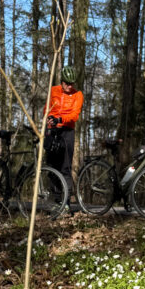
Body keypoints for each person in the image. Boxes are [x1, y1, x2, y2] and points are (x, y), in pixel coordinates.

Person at [44, 66, 84, 212]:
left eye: (72, 83)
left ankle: (66, 202)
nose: (69, 86)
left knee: (65, 167)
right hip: (52, 130)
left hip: (67, 131)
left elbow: (74, 115)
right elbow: (47, 108)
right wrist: (49, 117)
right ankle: (56, 200)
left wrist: (60, 119)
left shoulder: (78, 95)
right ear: (62, 82)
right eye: (67, 83)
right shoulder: (53, 90)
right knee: (51, 166)